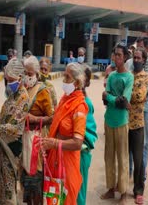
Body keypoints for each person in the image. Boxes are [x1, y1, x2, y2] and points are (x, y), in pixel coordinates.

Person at [41, 63, 88, 204]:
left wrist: (54, 143)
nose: (64, 80)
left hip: (67, 164)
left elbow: (78, 143)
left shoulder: (79, 106)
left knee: (65, 200)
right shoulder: (65, 99)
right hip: (54, 159)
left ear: (77, 82)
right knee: (52, 199)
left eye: (67, 77)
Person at [0, 58, 29, 204]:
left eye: (10, 80)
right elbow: (7, 118)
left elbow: (15, 129)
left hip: (10, 153)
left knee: (9, 196)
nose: (8, 83)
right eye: (6, 79)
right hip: (1, 152)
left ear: (19, 78)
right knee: (1, 196)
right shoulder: (12, 96)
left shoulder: (23, 98)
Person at [101, 43, 134, 205]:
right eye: (115, 54)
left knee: (122, 157)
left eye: (119, 55)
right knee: (109, 157)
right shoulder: (112, 76)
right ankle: (110, 188)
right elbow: (105, 98)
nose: (116, 57)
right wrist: (114, 99)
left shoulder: (129, 77)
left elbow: (124, 101)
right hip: (109, 120)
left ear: (125, 57)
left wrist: (110, 97)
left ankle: (123, 192)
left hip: (121, 121)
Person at [20, 56, 53, 205]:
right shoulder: (23, 89)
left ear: (37, 73)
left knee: (36, 174)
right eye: (26, 73)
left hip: (37, 138)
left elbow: (52, 117)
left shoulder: (43, 91)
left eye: (30, 74)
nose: (27, 77)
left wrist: (35, 119)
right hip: (24, 136)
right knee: (25, 173)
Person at [126, 37, 148, 180]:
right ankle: (130, 172)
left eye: (141, 48)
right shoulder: (131, 63)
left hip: (144, 109)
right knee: (130, 143)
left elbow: (145, 89)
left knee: (143, 144)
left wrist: (128, 95)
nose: (137, 51)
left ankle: (141, 173)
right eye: (136, 48)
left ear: (147, 49)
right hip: (130, 110)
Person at [128, 48, 148, 204]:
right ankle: (122, 186)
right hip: (124, 122)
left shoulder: (146, 77)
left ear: (143, 60)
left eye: (138, 58)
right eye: (134, 58)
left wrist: (124, 95)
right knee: (124, 157)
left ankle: (138, 190)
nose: (135, 60)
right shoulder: (128, 75)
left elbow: (139, 96)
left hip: (137, 123)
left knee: (138, 159)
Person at [77, 66, 98, 205]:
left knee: (79, 194)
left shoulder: (85, 104)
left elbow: (89, 133)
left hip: (80, 153)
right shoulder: (69, 100)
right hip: (70, 153)